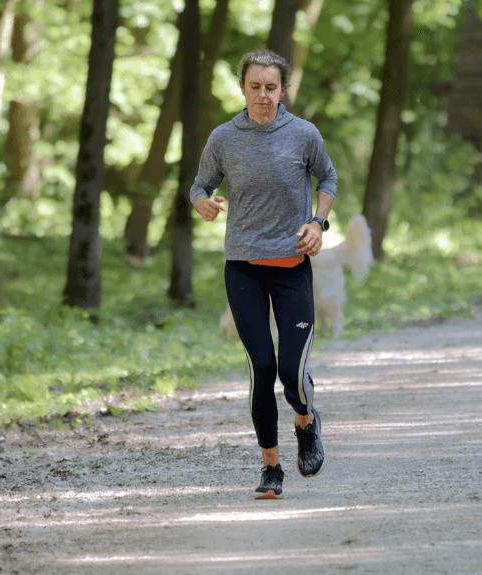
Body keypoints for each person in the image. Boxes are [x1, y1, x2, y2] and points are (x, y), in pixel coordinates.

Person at [191, 50, 337, 499]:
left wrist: (318, 223)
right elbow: (201, 186)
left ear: (283, 90)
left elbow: (327, 180)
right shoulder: (223, 138)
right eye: (255, 86)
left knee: (292, 373)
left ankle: (307, 421)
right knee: (262, 367)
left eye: (271, 87)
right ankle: (270, 467)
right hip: (244, 270)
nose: (263, 95)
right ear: (242, 88)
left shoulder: (303, 134)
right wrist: (202, 202)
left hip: (292, 268)